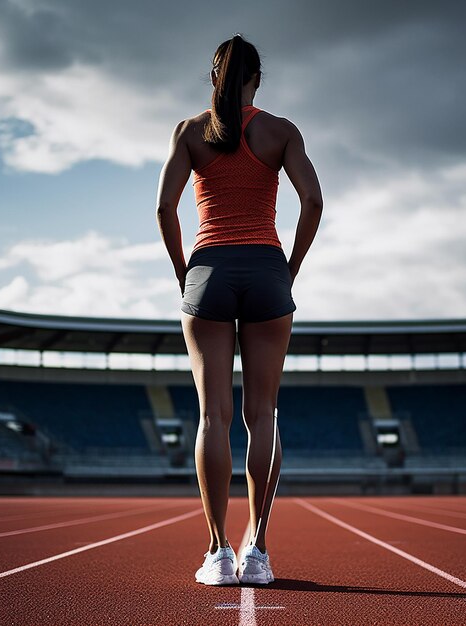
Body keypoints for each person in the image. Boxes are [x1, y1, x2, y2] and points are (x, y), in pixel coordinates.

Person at [156, 34, 322, 585]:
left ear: (213, 79)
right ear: (258, 79)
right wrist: (291, 264)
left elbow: (164, 206)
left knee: (212, 417)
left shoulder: (188, 132)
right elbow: (313, 201)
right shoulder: (280, 131)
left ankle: (218, 552)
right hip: (267, 269)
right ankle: (259, 549)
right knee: (263, 416)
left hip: (208, 269)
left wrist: (185, 269)